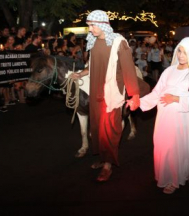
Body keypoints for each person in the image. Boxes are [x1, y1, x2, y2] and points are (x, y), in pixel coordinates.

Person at [127, 37, 189, 194]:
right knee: (162, 147)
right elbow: (157, 92)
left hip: (182, 119)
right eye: (179, 51)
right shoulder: (169, 71)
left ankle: (174, 179)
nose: (180, 55)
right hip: (164, 118)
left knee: (176, 149)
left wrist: (176, 98)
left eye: (185, 53)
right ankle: (163, 175)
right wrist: (139, 102)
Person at [71, 10, 140, 182]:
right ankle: (103, 158)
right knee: (97, 129)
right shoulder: (93, 41)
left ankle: (108, 165)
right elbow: (92, 65)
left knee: (110, 129)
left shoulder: (118, 43)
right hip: (95, 91)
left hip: (112, 92)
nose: (90, 29)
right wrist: (81, 74)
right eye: (89, 25)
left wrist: (135, 95)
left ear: (103, 24)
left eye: (93, 25)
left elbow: (129, 71)